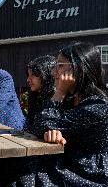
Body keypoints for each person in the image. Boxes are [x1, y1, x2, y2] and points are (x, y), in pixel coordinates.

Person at [11, 42, 108, 186]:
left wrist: (59, 93)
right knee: (10, 166)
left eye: (60, 66)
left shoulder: (97, 106)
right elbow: (37, 127)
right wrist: (49, 131)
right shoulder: (71, 99)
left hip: (88, 171)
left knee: (21, 174)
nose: (53, 72)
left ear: (78, 68)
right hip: (67, 160)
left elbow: (44, 123)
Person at [26, 55, 56, 137]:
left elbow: (40, 127)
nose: (28, 79)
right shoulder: (36, 96)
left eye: (33, 75)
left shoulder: (58, 98)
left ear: (46, 75)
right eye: (28, 75)